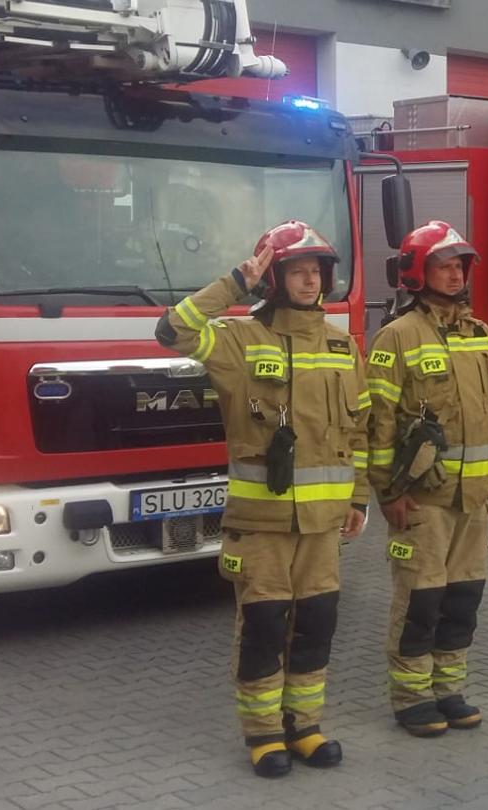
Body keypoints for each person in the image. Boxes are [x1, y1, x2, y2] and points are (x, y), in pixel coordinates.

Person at [154, 220, 367, 778]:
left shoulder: (342, 344)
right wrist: (234, 283)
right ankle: (264, 733)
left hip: (322, 526)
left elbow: (360, 430)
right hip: (262, 523)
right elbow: (172, 331)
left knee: (316, 623)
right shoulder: (238, 340)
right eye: (297, 271)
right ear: (274, 280)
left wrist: (359, 499)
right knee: (265, 625)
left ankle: (305, 726)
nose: (310, 280)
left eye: (317, 271)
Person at [365, 221, 488, 737]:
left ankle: (449, 689)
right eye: (443, 266)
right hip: (422, 500)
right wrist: (389, 491)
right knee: (420, 601)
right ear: (416, 273)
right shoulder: (397, 336)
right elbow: (378, 422)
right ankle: (411, 696)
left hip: (475, 498)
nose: (454, 275)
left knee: (462, 598)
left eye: (459, 266)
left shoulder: (480, 335)